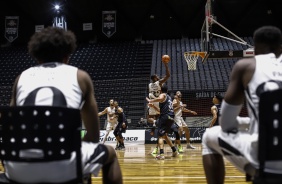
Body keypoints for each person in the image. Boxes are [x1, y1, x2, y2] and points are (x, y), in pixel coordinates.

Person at [8, 27, 122, 184]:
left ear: (36, 55)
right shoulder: (81, 77)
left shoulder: (21, 78)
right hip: (66, 165)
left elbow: (12, 127)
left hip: (18, 166)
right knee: (110, 154)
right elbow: (93, 136)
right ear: (67, 55)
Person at [202, 25, 282, 184]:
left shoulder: (246, 66)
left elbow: (226, 124)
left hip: (267, 158)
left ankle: (254, 170)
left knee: (208, 137)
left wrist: (248, 122)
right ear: (280, 47)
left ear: (255, 49)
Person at [146, 84, 179, 160]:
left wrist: (151, 100)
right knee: (165, 136)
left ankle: (161, 154)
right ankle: (174, 151)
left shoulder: (163, 95)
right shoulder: (169, 98)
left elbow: (160, 98)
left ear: (160, 90)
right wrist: (153, 106)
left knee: (160, 136)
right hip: (171, 117)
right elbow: (160, 111)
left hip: (165, 117)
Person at [148, 57, 171, 154]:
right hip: (159, 101)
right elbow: (168, 75)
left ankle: (154, 123)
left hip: (152, 100)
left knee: (149, 117)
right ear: (155, 78)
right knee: (160, 119)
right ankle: (156, 124)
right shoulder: (159, 82)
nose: (158, 76)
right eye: (157, 76)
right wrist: (165, 65)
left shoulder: (149, 85)